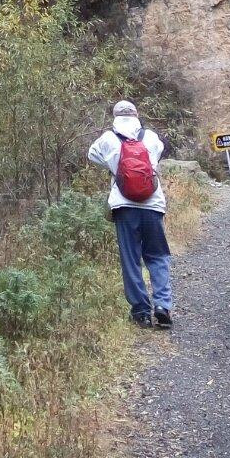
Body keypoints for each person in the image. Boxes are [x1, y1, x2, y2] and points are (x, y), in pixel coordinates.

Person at [88, 99, 173, 329]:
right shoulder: (151, 137)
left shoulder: (107, 139)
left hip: (124, 206)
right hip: (153, 204)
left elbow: (91, 155)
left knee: (131, 260)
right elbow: (159, 153)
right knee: (158, 256)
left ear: (115, 117)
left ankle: (141, 313)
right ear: (136, 114)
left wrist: (113, 165)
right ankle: (163, 306)